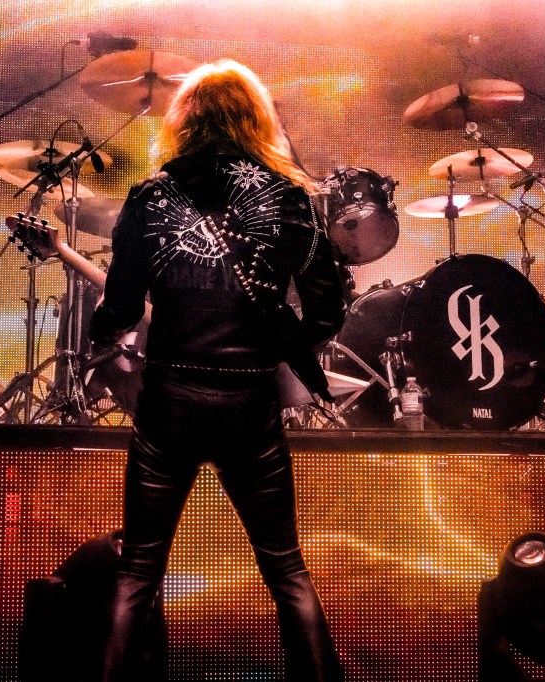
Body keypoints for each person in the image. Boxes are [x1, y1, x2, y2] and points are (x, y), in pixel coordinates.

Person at [90, 59, 347, 682]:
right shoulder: (290, 197)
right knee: (286, 570)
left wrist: (105, 331)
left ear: (185, 121)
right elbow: (327, 313)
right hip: (249, 404)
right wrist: (279, 345)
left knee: (137, 573)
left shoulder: (150, 196)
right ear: (256, 119)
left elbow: (119, 312)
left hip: (169, 403)